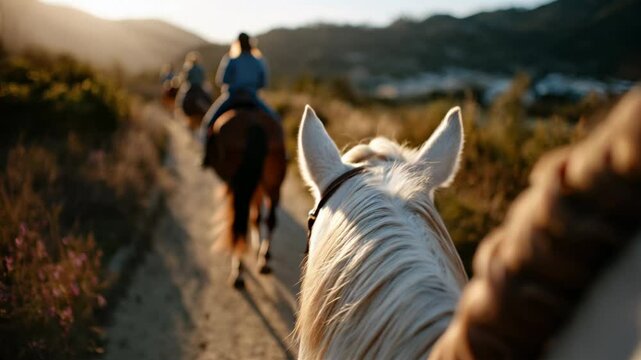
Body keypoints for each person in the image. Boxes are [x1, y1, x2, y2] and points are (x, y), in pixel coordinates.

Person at [204, 32, 279, 129]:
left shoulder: (231, 60)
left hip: (232, 97)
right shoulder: (259, 61)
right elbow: (263, 83)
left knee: (208, 121)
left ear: (237, 44)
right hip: (252, 97)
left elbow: (221, 80)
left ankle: (204, 139)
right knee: (276, 120)